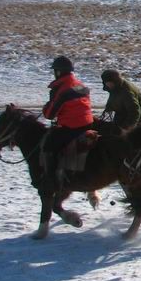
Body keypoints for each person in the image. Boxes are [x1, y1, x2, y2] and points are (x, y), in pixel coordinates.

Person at [42, 56, 93, 190]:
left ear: (59, 72)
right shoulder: (81, 85)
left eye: (55, 71)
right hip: (88, 123)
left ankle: (51, 180)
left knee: (48, 146)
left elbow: (49, 115)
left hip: (72, 127)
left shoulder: (62, 90)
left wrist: (46, 106)